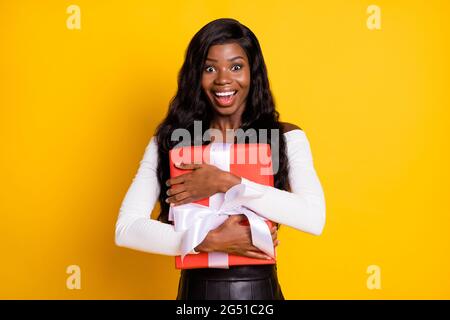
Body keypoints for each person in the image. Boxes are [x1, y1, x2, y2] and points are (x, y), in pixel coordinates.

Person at [115, 18, 326, 300]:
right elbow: (126, 229)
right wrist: (204, 241)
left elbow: (313, 218)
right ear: (196, 75)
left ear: (253, 72)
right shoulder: (170, 140)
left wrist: (227, 182)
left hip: (260, 294)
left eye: (236, 67)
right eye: (210, 68)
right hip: (195, 295)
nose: (223, 79)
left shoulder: (285, 137)